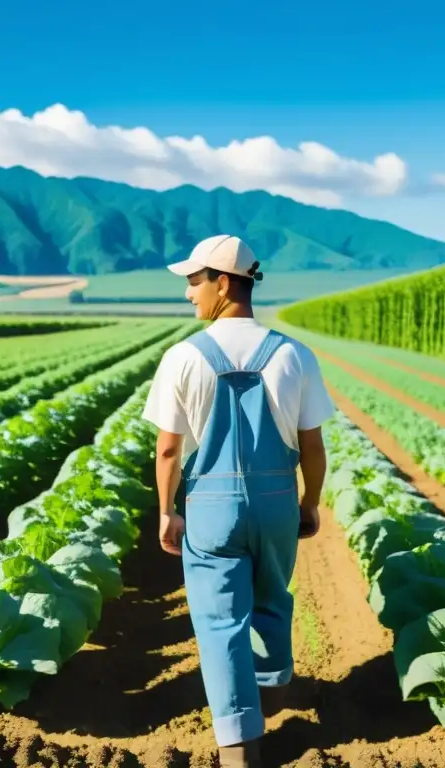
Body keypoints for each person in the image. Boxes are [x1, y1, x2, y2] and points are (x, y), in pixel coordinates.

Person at [141, 234, 335, 767]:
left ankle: (237, 750)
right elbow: (313, 446)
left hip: (211, 507)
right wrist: (309, 503)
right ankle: (271, 694)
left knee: (220, 623)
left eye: (194, 281)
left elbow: (166, 449)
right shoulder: (294, 353)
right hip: (276, 500)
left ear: (224, 283)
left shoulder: (183, 356)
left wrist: (166, 510)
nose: (188, 294)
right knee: (273, 598)